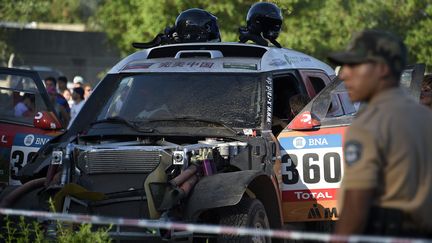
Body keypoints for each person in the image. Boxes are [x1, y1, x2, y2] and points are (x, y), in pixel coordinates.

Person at [328, 30, 432, 237]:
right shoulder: (423, 116)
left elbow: (356, 207)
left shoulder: (370, 123)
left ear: (382, 69)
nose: (345, 74)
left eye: (355, 66)